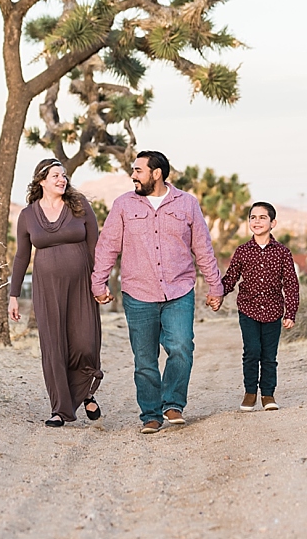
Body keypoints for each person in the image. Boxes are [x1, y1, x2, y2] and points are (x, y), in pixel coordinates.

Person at [92, 150, 224, 434]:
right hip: (138, 293)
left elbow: (202, 247)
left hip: (179, 290)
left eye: (138, 170)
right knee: (145, 360)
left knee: (181, 347)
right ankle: (151, 414)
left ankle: (173, 403)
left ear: (157, 173)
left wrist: (215, 286)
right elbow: (108, 246)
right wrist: (98, 283)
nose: (133, 175)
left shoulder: (187, 203)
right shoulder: (123, 205)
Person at [9, 159, 104, 427]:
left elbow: (95, 245)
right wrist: (14, 295)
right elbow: (21, 256)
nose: (62, 179)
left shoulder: (79, 205)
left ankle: (85, 391)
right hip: (47, 288)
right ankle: (60, 409)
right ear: (41, 181)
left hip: (82, 286)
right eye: (55, 176)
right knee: (54, 347)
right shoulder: (28, 215)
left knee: (85, 343)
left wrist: (100, 282)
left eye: (63, 175)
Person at [222, 202, 300, 411]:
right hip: (248, 309)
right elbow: (231, 278)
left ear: (273, 223)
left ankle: (268, 394)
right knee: (252, 351)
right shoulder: (243, 251)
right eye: (253, 217)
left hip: (273, 311)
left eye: (262, 217)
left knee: (269, 355)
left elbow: (291, 284)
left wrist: (290, 313)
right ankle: (250, 393)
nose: (257, 221)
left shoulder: (283, 252)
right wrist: (217, 294)